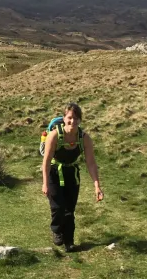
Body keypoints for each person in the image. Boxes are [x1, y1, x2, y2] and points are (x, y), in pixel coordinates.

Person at [41, 102, 103, 252]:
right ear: (64, 118)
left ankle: (69, 241)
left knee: (69, 209)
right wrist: (45, 183)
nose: (72, 121)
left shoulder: (85, 139)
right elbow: (47, 161)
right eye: (69, 117)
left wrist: (97, 186)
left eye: (76, 118)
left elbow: (91, 163)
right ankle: (56, 230)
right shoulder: (54, 135)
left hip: (72, 174)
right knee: (57, 206)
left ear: (80, 120)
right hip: (54, 172)